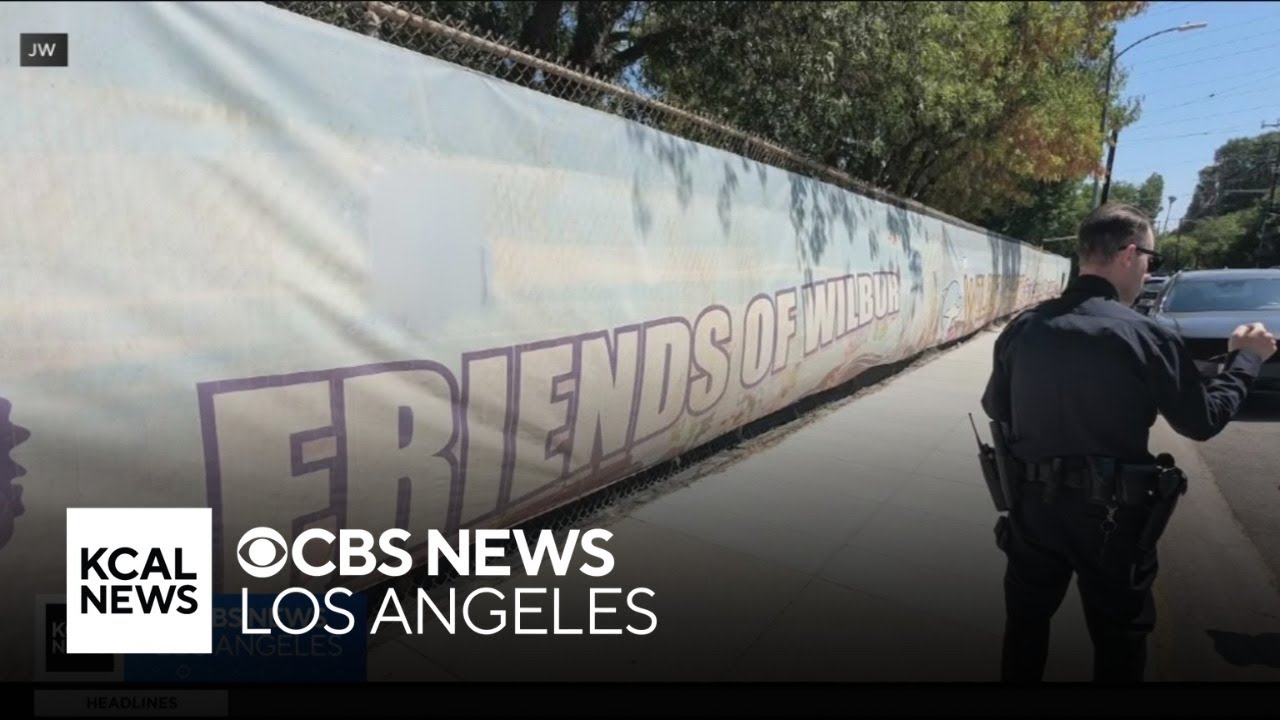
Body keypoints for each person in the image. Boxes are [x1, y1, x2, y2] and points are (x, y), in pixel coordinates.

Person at [980, 202, 1277, 683]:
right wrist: (1246, 360)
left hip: (1033, 511)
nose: (1148, 271)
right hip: (1111, 523)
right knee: (1118, 645)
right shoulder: (1143, 336)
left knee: (1025, 629)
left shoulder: (1023, 328)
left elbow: (998, 407)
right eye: (1151, 261)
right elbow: (1202, 422)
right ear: (1130, 254)